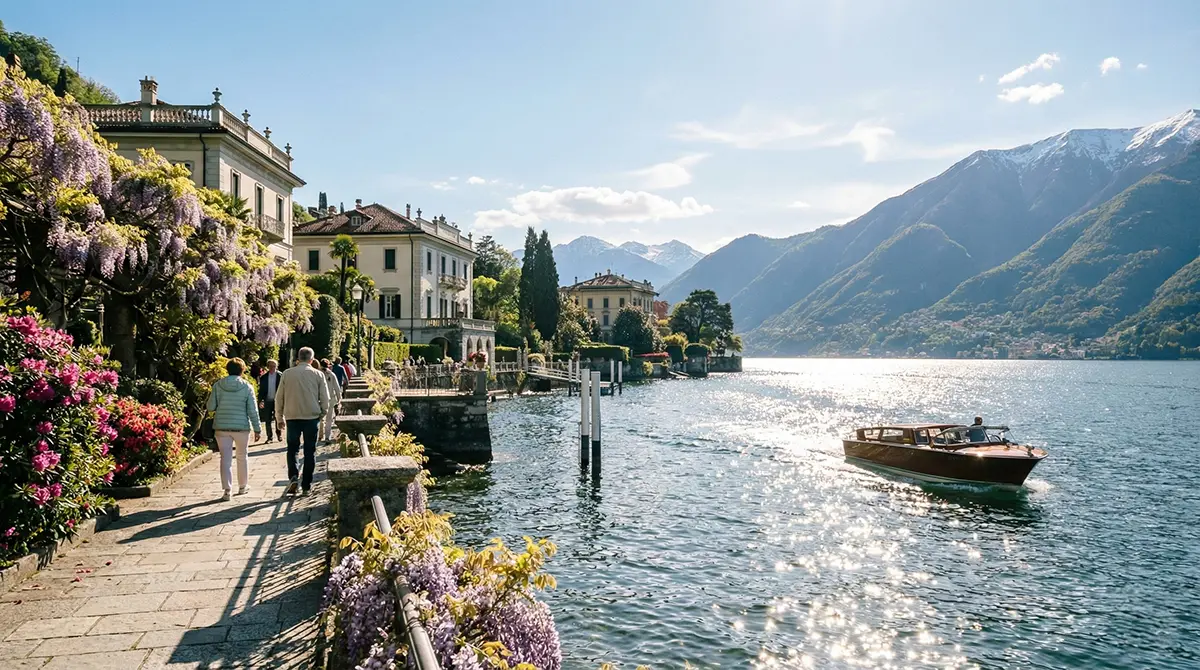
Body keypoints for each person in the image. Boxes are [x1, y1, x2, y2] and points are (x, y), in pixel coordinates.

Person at [275, 347, 330, 495]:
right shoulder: (318, 374)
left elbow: (279, 397)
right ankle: (306, 485)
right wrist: (322, 413)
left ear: (298, 358)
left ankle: (293, 476)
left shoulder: (287, 373)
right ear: (311, 360)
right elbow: (325, 398)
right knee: (310, 451)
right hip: (311, 417)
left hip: (292, 416)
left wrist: (279, 417)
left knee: (292, 449)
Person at [206, 358, 262, 501]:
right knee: (242, 457)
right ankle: (243, 486)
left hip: (222, 426)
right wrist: (257, 429)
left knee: (225, 459)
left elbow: (210, 407)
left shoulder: (218, 385)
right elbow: (252, 410)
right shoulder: (247, 386)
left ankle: (227, 490)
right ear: (242, 370)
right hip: (241, 427)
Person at [257, 360, 282, 442]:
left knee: (278, 418)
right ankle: (269, 437)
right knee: (267, 420)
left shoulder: (280, 376)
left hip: (277, 401)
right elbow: (261, 391)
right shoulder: (264, 377)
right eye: (270, 366)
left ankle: (279, 435)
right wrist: (260, 400)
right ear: (268, 367)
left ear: (277, 366)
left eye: (274, 366)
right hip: (267, 400)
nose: (272, 368)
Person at [319, 358, 343, 443]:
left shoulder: (317, 374)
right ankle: (327, 437)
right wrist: (339, 399)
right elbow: (337, 388)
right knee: (329, 419)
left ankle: (319, 434)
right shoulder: (332, 374)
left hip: (319, 399)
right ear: (329, 365)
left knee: (320, 418)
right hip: (330, 399)